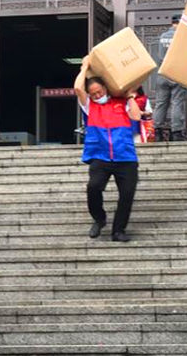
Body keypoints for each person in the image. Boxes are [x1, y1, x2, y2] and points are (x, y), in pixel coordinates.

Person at [74, 56, 141, 242]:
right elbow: (78, 88)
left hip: (125, 157)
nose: (97, 95)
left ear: (106, 88)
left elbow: (136, 116)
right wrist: (85, 67)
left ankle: (118, 230)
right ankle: (99, 219)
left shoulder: (121, 102)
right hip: (100, 156)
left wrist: (129, 97)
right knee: (93, 188)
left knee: (127, 194)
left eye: (99, 91)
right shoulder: (89, 107)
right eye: (93, 93)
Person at [155, 13, 187, 142]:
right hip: (176, 73)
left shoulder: (162, 37)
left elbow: (159, 55)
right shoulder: (181, 37)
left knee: (161, 103)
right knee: (177, 103)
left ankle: (157, 132)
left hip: (162, 73)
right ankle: (177, 133)